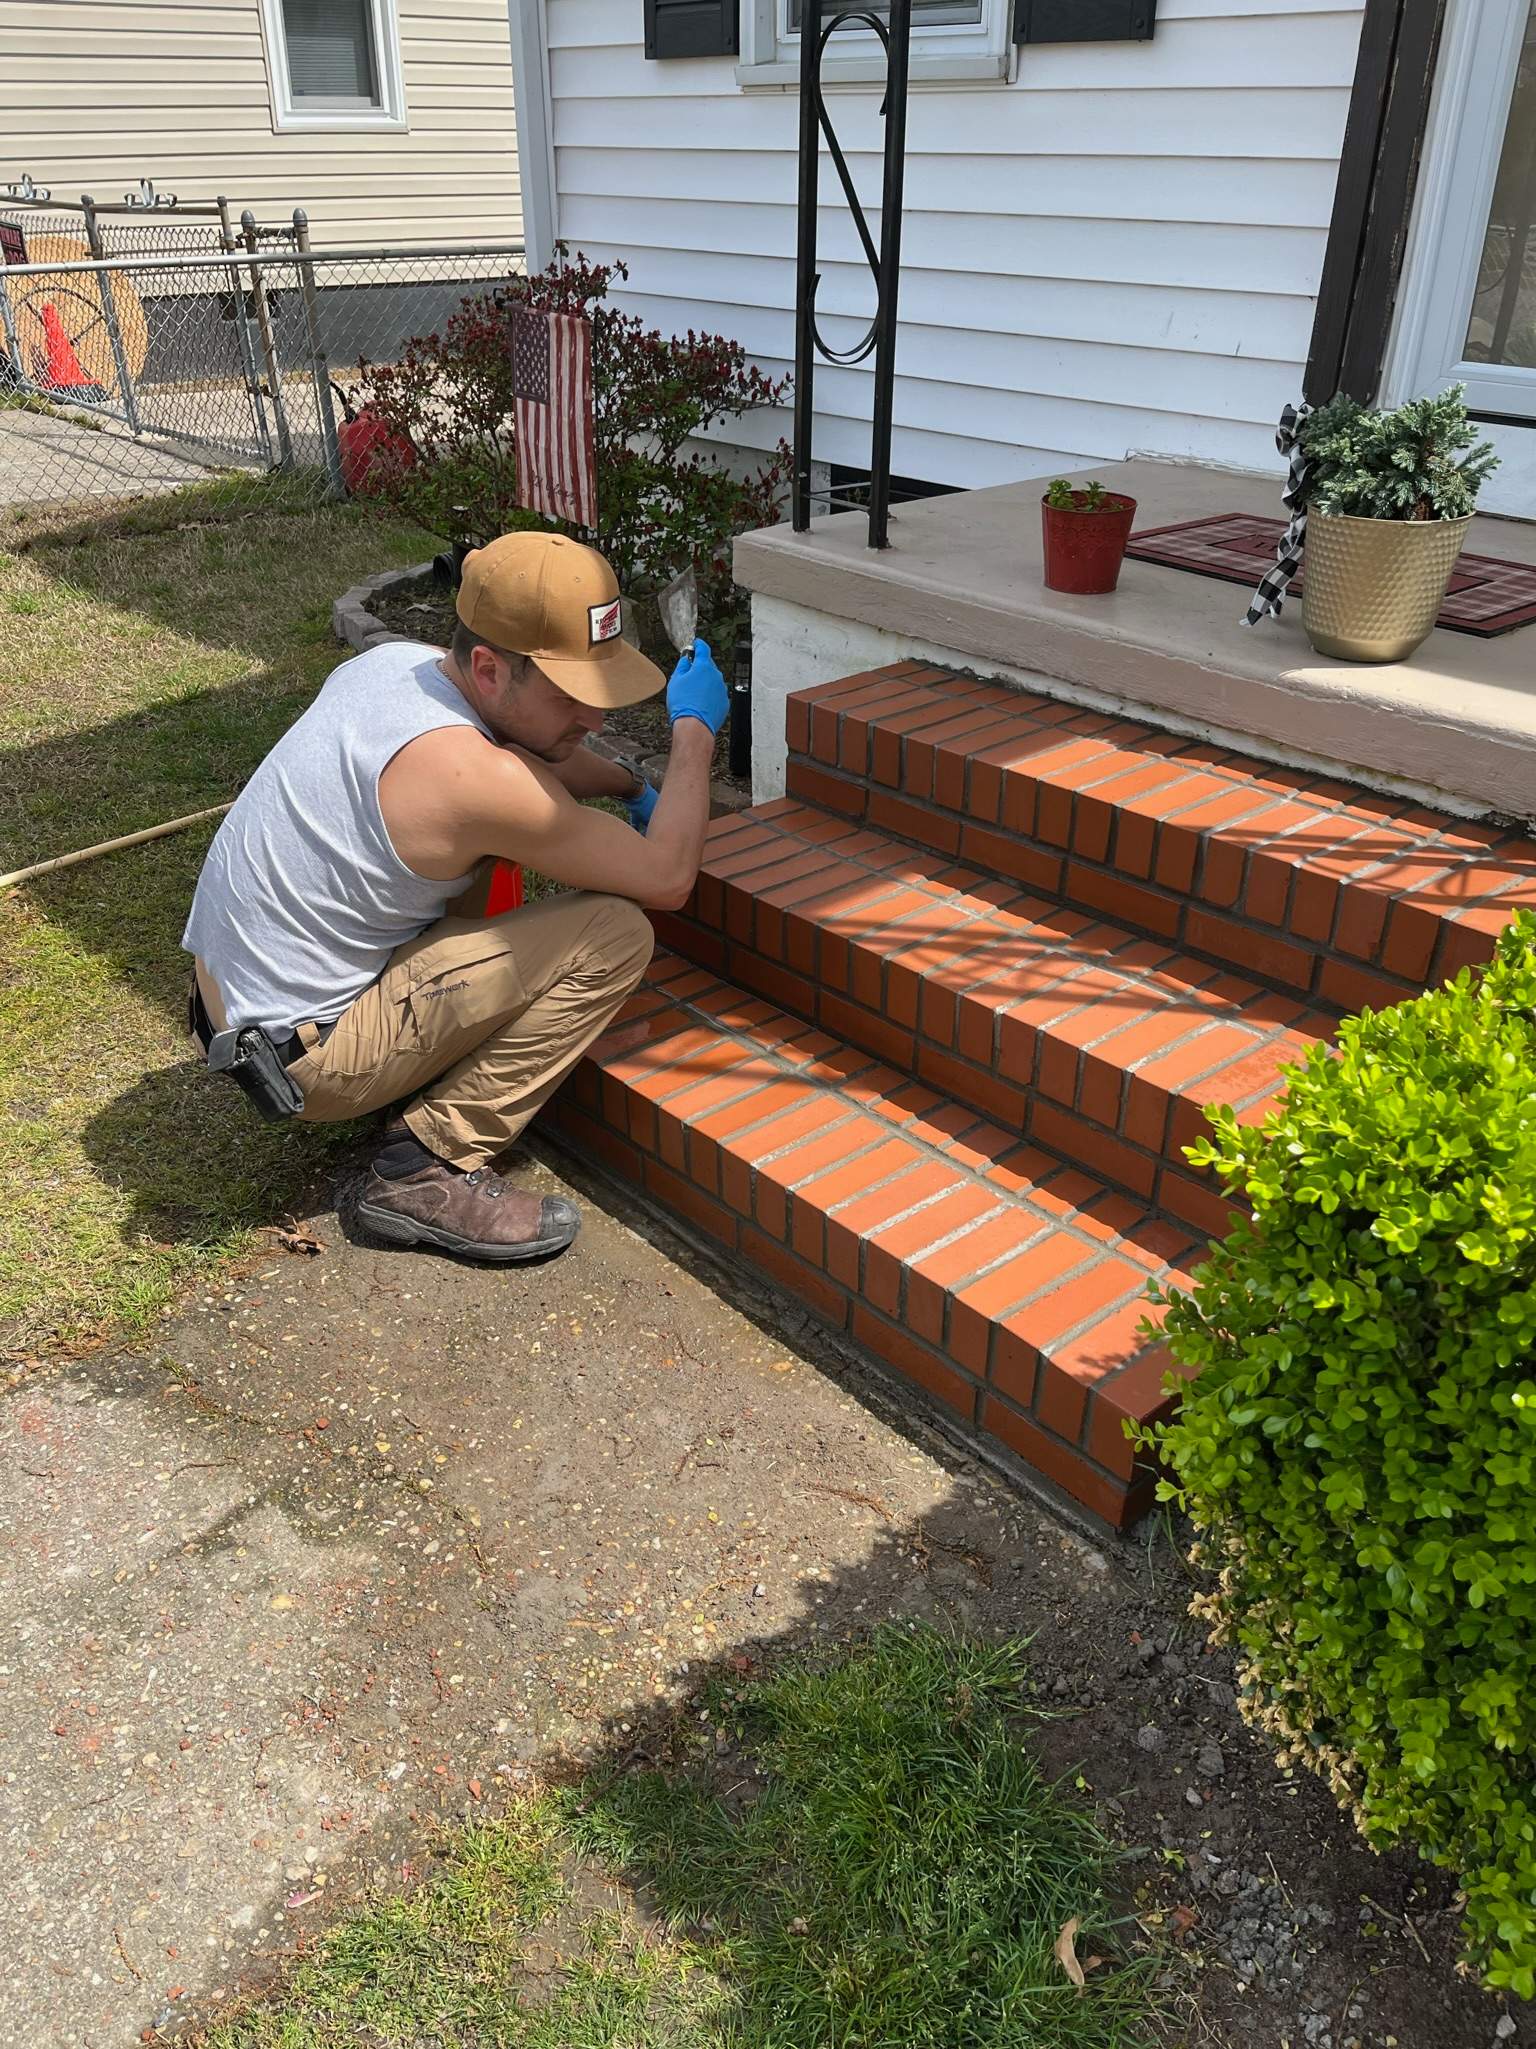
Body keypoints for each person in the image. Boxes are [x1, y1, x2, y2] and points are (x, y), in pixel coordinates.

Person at [183, 530, 728, 1264]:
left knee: (491, 847)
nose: (596, 719)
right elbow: (668, 878)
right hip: (309, 1059)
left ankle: (409, 1068)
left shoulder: (394, 667)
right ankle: (419, 1167)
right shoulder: (472, 778)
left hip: (237, 1011)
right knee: (615, 934)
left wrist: (631, 786)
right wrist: (693, 734)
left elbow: (526, 759)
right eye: (573, 696)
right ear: (490, 669)